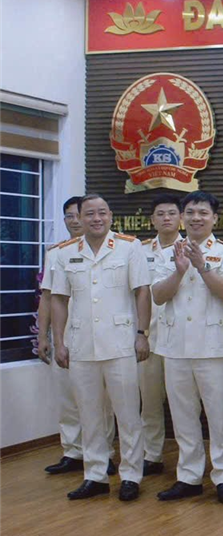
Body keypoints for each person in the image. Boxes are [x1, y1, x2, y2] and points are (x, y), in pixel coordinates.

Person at [50, 194, 151, 501]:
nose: (96, 219)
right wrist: (59, 341)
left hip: (120, 343)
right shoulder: (65, 252)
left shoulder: (129, 246)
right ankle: (95, 475)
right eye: (90, 214)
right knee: (89, 414)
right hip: (81, 345)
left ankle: (131, 475)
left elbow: (142, 291)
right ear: (79, 218)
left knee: (127, 415)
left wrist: (142, 332)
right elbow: (58, 299)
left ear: (110, 216)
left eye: (102, 213)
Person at [150, 191, 223, 504]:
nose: (196, 218)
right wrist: (179, 270)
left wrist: (202, 266)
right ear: (182, 217)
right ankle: (189, 477)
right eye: (190, 212)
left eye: (203, 213)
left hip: (213, 347)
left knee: (219, 416)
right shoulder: (166, 253)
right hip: (175, 346)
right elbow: (158, 296)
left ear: (215, 218)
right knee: (183, 416)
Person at [38, 196, 114, 476]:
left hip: (97, 332)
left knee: (100, 400)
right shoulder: (56, 253)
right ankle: (72, 451)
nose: (74, 220)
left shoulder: (113, 249)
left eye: (77, 215)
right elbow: (47, 297)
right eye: (69, 216)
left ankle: (104, 453)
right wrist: (44, 336)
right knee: (67, 396)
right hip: (64, 333)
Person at [137, 193, 182, 477]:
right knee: (150, 402)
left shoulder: (191, 249)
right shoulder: (139, 251)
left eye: (171, 213)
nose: (166, 218)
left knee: (185, 405)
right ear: (152, 220)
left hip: (182, 339)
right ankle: (151, 455)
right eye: (160, 214)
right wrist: (139, 332)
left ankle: (188, 460)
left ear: (181, 218)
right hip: (151, 336)